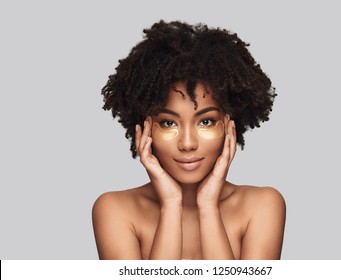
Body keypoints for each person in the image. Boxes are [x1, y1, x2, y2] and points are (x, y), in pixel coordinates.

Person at [92, 20, 286, 260]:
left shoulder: (263, 206)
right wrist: (171, 204)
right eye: (168, 123)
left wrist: (208, 206)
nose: (187, 143)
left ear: (229, 124)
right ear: (144, 128)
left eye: (205, 121)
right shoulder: (115, 210)